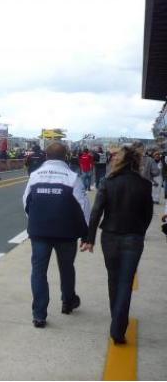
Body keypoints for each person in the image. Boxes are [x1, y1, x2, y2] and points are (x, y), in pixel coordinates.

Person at [84, 146, 153, 345]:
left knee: (113, 279)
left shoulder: (108, 182)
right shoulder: (144, 184)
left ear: (119, 161)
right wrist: (139, 231)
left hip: (110, 236)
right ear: (136, 161)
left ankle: (117, 316)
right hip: (133, 237)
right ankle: (118, 327)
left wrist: (90, 239)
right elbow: (147, 215)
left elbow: (96, 212)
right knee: (125, 282)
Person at [23, 142, 91, 328]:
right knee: (67, 268)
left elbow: (26, 202)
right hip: (66, 233)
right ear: (66, 156)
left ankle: (39, 315)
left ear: (46, 155)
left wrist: (37, 220)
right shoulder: (72, 177)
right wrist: (86, 234)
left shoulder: (35, 176)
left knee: (38, 272)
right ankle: (68, 301)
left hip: (39, 232)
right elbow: (83, 206)